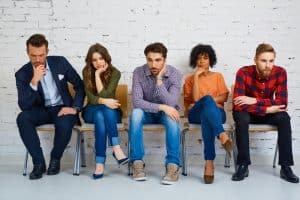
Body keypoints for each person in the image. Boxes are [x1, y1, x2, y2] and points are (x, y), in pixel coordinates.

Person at [15, 34, 85, 180]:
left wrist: (75, 108)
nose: (38, 59)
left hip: (63, 107)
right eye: (33, 56)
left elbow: (79, 85)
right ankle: (39, 163)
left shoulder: (60, 62)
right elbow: (24, 106)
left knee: (64, 123)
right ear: (27, 53)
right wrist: (34, 81)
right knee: (22, 118)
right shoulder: (22, 74)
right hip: (41, 110)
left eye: (41, 55)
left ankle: (55, 160)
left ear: (47, 52)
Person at [232, 43, 299, 183]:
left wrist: (254, 100)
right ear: (255, 59)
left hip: (265, 113)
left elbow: (282, 103)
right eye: (263, 61)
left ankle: (285, 167)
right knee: (241, 118)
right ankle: (243, 165)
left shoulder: (280, 72)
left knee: (284, 117)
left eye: (271, 61)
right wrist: (267, 108)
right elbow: (238, 105)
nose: (268, 65)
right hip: (248, 114)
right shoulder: (243, 72)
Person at [129, 42, 182, 185]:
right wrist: (162, 107)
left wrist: (159, 81)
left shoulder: (175, 74)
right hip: (146, 113)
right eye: (150, 60)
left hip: (166, 115)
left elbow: (171, 103)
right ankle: (137, 163)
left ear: (164, 60)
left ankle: (172, 166)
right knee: (135, 114)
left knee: (172, 118)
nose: (153, 64)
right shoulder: (138, 72)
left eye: (158, 60)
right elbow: (137, 102)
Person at [184, 44, 232, 184]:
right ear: (195, 60)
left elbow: (224, 98)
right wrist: (197, 78)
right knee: (206, 103)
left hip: (217, 113)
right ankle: (222, 135)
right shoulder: (190, 79)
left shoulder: (218, 76)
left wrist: (209, 100)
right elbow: (195, 99)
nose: (202, 61)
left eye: (205, 58)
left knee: (208, 114)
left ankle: (209, 164)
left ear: (211, 60)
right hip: (194, 115)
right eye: (199, 58)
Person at [82, 43, 128, 179]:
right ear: (90, 61)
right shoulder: (86, 72)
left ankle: (99, 163)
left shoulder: (115, 73)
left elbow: (107, 95)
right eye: (94, 60)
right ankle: (116, 148)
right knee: (100, 112)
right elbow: (90, 97)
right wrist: (96, 75)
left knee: (101, 114)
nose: (98, 62)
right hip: (91, 110)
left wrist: (103, 99)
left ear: (106, 58)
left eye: (101, 58)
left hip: (110, 111)